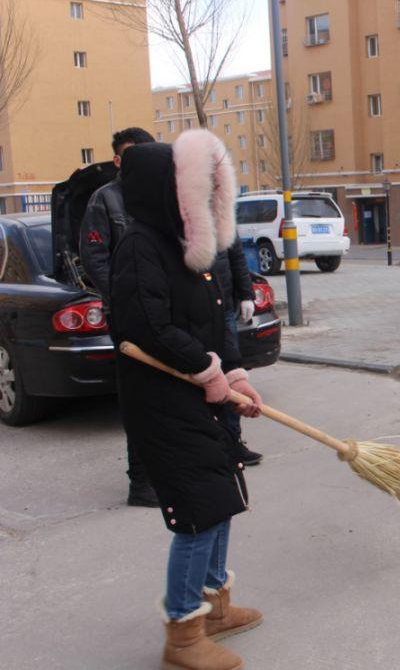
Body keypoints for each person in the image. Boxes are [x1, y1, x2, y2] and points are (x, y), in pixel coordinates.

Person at [109, 130, 263, 670]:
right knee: (198, 513)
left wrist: (234, 373)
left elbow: (211, 316)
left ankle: (215, 604)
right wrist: (205, 372)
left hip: (200, 398)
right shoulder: (140, 246)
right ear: (166, 190)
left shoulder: (187, 246)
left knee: (222, 498)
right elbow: (147, 326)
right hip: (163, 404)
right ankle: (183, 634)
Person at [79, 126, 158, 507]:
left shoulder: (158, 197)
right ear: (117, 159)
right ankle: (140, 482)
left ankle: (164, 471)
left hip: (161, 314)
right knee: (139, 395)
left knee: (165, 397)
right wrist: (127, 298)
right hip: (128, 316)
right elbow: (95, 258)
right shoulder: (105, 200)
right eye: (131, 155)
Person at [212, 238, 263, 466]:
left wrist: (246, 293)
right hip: (195, 306)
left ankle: (233, 442)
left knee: (230, 370)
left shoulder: (220, 209)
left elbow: (236, 255)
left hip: (224, 303)